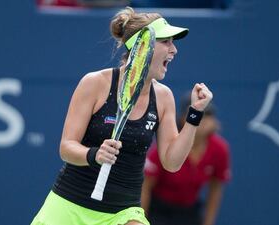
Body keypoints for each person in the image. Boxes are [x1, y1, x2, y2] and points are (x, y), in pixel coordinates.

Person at [31, 6, 213, 225]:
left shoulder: (164, 98)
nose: (174, 50)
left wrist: (195, 114)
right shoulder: (94, 83)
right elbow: (67, 147)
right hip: (69, 205)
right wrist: (94, 155)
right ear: (142, 46)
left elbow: (172, 162)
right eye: (166, 41)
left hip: (123, 213)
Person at [141, 95, 231, 225]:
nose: (205, 120)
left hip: (190, 211)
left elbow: (216, 188)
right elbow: (145, 187)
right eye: (201, 114)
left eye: (209, 114)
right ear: (184, 118)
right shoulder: (166, 146)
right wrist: (141, 220)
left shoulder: (220, 149)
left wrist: (208, 222)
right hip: (159, 211)